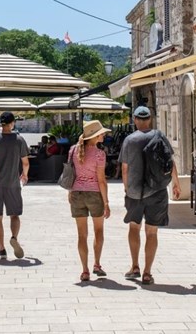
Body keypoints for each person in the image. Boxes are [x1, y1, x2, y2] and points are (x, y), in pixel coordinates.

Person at [120, 106, 181, 285]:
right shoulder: (159, 135)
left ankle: (135, 266)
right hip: (157, 191)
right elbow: (170, 161)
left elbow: (125, 169)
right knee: (152, 232)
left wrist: (126, 188)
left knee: (134, 228)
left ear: (135, 119)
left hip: (135, 193)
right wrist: (176, 184)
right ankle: (147, 272)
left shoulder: (129, 140)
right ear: (150, 119)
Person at [68, 120, 112, 281]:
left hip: (77, 193)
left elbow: (70, 172)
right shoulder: (100, 154)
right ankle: (97, 264)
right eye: (101, 133)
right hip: (94, 194)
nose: (104, 135)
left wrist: (70, 191)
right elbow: (101, 180)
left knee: (81, 235)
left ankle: (84, 270)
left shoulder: (73, 150)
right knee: (98, 231)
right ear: (95, 136)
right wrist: (106, 202)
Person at [0, 111, 30, 259]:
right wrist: (25, 174)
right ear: (12, 123)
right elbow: (25, 162)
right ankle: (14, 238)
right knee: (14, 214)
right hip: (13, 183)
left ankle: (2, 249)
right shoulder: (19, 140)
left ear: (0, 124)